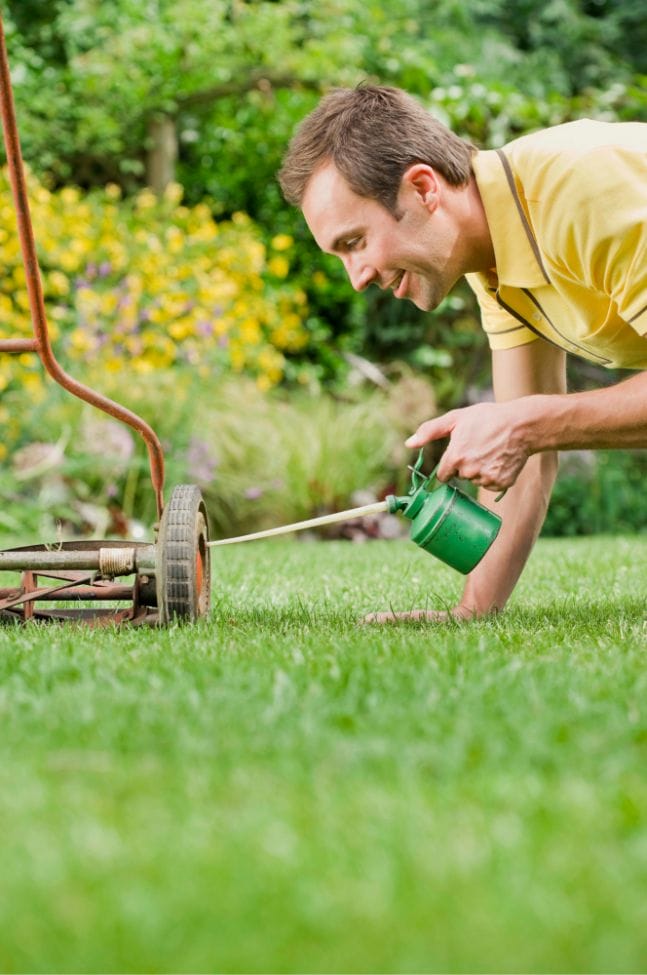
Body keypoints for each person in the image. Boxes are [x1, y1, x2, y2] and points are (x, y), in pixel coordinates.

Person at [278, 84, 647, 622]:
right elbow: (528, 457)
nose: (356, 278)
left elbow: (529, 428)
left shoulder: (585, 191)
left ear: (423, 188)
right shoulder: (495, 262)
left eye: (354, 242)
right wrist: (471, 611)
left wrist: (528, 424)